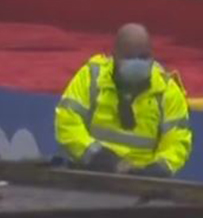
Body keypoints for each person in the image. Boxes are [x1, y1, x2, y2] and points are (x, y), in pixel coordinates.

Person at [55, 23, 192, 177]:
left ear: (152, 56)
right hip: (91, 174)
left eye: (143, 57)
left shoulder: (167, 91)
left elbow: (177, 143)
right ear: (115, 55)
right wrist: (101, 159)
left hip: (143, 182)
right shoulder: (91, 76)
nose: (137, 62)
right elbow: (67, 123)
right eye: (130, 57)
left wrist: (157, 170)